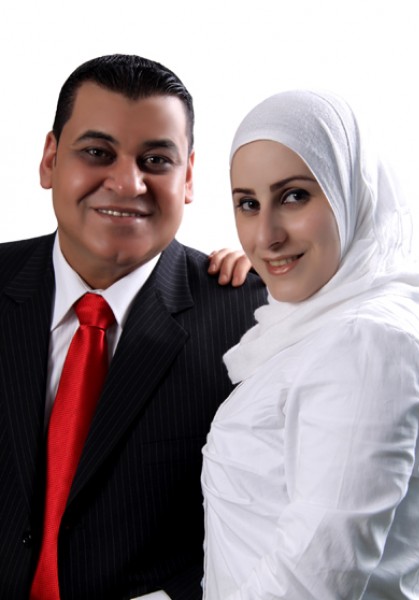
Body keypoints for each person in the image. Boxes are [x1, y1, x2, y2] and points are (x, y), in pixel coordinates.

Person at [0, 54, 266, 599]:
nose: (127, 183)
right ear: (50, 160)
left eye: (156, 160)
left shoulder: (255, 319)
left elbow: (282, 524)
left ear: (187, 177)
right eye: (97, 153)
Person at [201, 90, 419, 599]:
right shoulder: (314, 327)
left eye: (294, 197)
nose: (266, 236)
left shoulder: (366, 343)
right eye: (248, 204)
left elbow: (313, 579)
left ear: (349, 192)